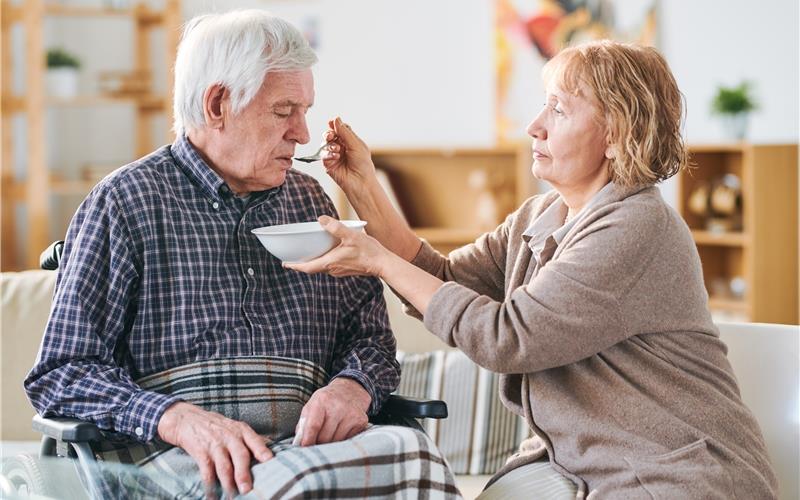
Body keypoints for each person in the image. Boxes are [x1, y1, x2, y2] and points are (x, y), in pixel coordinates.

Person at [287, 40, 778, 498]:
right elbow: (442, 282)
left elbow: (508, 338)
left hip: (673, 474)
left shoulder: (637, 226)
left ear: (616, 136)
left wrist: (377, 260)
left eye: (559, 110)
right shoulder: (541, 214)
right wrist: (364, 186)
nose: (535, 125)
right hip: (586, 467)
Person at [25, 10, 459, 499]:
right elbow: (62, 373)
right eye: (283, 111)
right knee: (301, 483)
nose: (302, 132)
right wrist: (176, 418)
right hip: (171, 459)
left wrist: (351, 389)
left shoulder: (310, 202)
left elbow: (370, 339)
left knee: (416, 454)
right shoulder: (125, 203)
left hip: (304, 448)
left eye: (305, 110)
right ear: (217, 103)